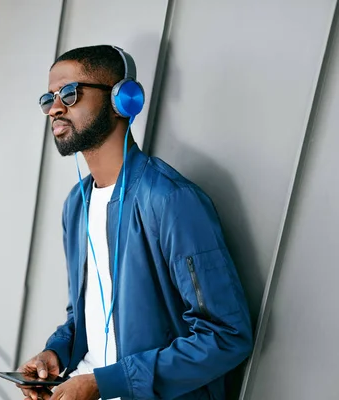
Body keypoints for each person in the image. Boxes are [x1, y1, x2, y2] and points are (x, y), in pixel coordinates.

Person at [17, 45, 253, 400]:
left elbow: (226, 335)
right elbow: (83, 314)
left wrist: (103, 383)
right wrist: (56, 352)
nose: (54, 108)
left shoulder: (171, 200)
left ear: (121, 100)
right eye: (47, 98)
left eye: (69, 93)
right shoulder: (76, 205)